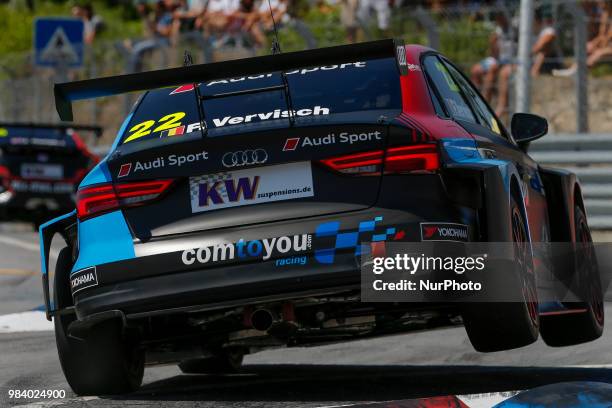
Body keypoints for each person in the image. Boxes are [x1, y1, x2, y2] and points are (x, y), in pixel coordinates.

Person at [553, 0, 612, 76]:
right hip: (608, 46)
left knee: (599, 53)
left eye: (601, 2)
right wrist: (594, 44)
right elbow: (602, 36)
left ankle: (579, 73)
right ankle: (574, 69)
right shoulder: (605, 15)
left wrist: (599, 45)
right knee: (587, 47)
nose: (599, 4)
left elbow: (608, 37)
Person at [470, 12, 514, 102]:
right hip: (496, 58)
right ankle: (473, 100)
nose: (498, 20)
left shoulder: (514, 30)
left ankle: (485, 101)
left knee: (492, 69)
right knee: (475, 70)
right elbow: (493, 53)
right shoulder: (498, 30)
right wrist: (492, 44)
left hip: (507, 60)